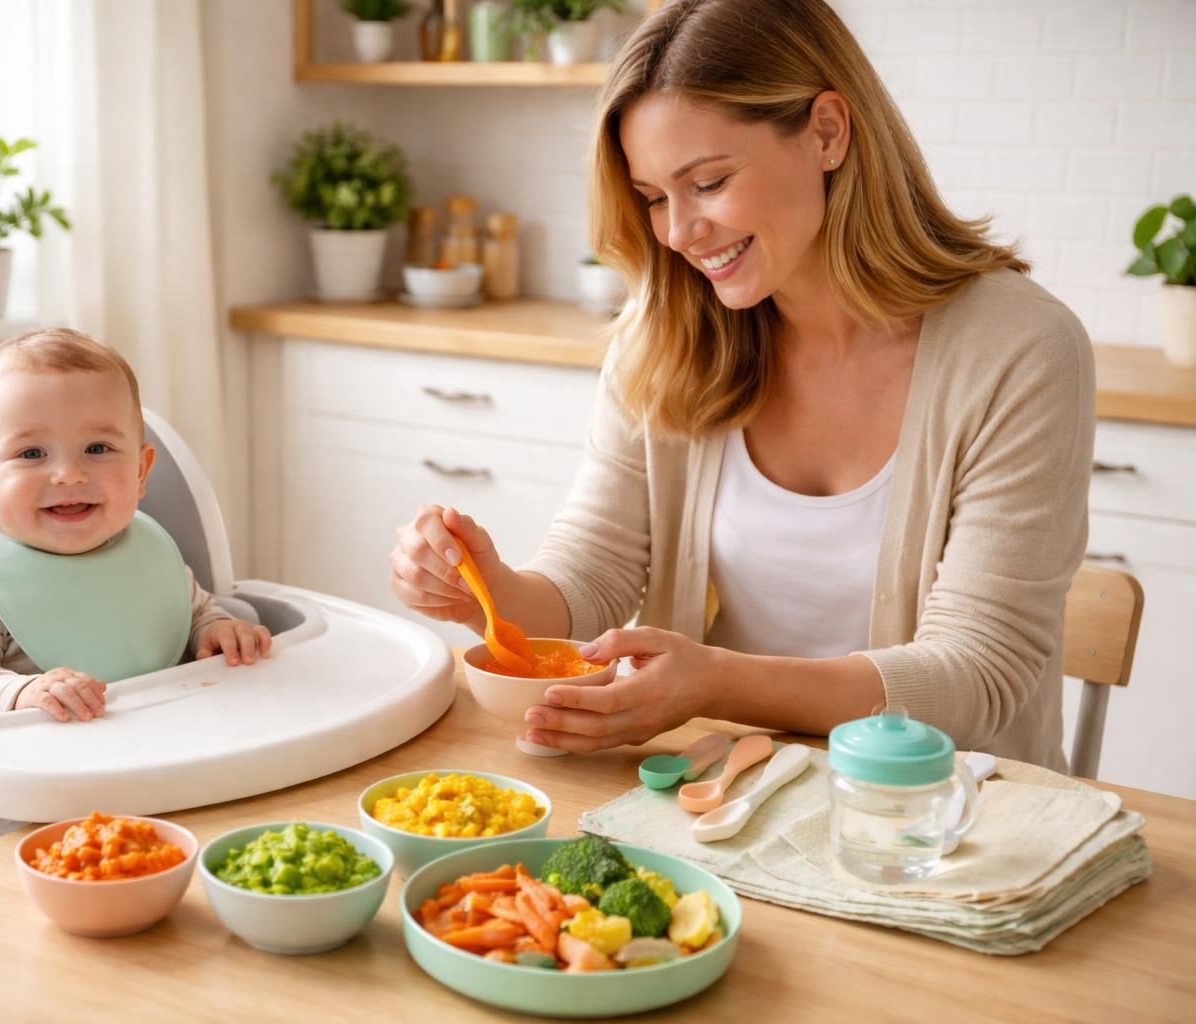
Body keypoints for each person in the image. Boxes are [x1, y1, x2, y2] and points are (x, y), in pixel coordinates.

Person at [388, 0, 1092, 770]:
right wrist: (487, 590)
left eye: (710, 182)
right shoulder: (666, 338)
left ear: (827, 132)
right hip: (731, 798)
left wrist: (713, 682)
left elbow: (976, 675)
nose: (680, 233)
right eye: (655, 197)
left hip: (946, 831)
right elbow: (593, 575)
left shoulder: (1020, 351)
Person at [0, 328, 271, 849]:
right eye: (31, 454)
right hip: (28, 790)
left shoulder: (148, 553)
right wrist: (21, 692)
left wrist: (217, 631)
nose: (69, 474)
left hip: (162, 760)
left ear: (142, 471)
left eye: (97, 448)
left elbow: (189, 612)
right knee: (22, 857)